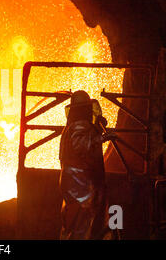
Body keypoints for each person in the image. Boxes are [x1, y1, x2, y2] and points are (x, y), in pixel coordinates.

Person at [59, 90, 116, 239]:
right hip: (80, 181)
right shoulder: (79, 126)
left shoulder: (72, 127)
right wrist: (102, 138)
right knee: (82, 223)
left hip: (73, 179)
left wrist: (97, 127)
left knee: (75, 221)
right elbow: (81, 145)